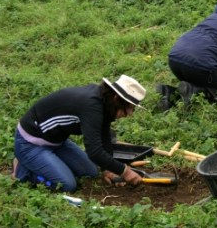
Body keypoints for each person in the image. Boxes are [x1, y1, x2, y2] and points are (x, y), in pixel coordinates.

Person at [12, 75, 146, 192]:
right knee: (67, 185)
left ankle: (46, 163)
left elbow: (104, 136)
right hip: (30, 143)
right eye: (128, 108)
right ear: (117, 99)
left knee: (91, 172)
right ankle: (23, 170)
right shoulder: (91, 106)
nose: (130, 114)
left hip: (57, 142)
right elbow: (94, 151)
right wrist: (125, 171)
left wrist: (109, 169)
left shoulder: (104, 101)